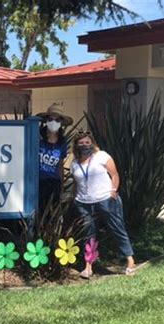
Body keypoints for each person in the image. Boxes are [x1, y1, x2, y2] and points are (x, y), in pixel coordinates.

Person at [70, 130, 135, 278]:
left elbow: (115, 175)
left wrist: (113, 191)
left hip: (105, 199)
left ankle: (130, 261)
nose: (85, 145)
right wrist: (75, 197)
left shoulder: (102, 156)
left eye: (87, 142)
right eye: (81, 143)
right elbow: (76, 182)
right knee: (88, 235)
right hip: (84, 203)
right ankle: (88, 267)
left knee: (117, 229)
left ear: (92, 143)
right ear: (76, 145)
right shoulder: (74, 163)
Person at [36, 103, 73, 214]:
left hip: (54, 183)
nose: (54, 122)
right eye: (51, 119)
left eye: (57, 120)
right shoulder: (38, 138)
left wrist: (61, 186)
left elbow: (60, 165)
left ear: (61, 123)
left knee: (52, 212)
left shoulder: (62, 143)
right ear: (46, 120)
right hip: (38, 182)